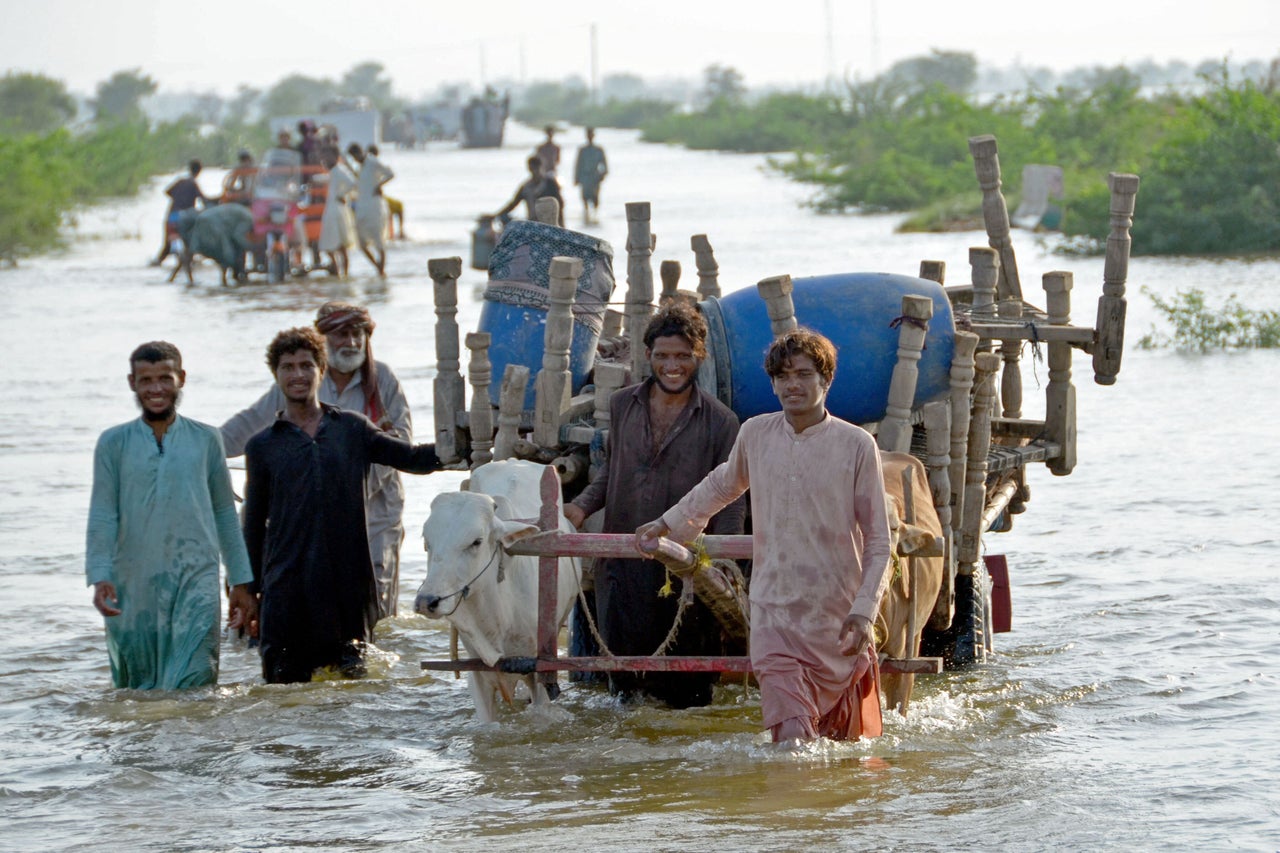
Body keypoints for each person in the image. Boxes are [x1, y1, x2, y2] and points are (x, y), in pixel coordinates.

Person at [636, 329, 893, 742]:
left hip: (835, 613)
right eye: (783, 376)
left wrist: (864, 611)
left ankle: (822, 806)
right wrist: (667, 523)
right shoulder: (756, 434)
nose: (792, 385)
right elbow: (723, 484)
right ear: (772, 383)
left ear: (825, 380)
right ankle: (783, 800)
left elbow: (880, 541)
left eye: (804, 374)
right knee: (791, 737)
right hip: (773, 610)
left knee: (837, 742)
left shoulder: (857, 445)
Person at [565, 304, 744, 708]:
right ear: (647, 356)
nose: (672, 365)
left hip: (685, 576)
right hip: (624, 569)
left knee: (687, 701)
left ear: (701, 357)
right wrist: (578, 507)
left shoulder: (722, 422)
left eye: (683, 356)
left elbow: (731, 497)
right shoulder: (623, 405)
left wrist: (725, 563)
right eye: (662, 356)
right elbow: (613, 472)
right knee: (625, 698)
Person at [241, 326, 442, 684]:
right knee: (284, 691)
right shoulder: (262, 446)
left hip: (347, 587)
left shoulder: (351, 428)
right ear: (276, 376)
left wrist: (463, 447)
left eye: (306, 365)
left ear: (321, 370)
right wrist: (245, 589)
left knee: (353, 689)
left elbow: (412, 458)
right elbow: (254, 525)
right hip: (287, 591)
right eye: (288, 367)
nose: (298, 375)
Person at [221, 302, 412, 621]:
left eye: (357, 334)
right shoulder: (303, 377)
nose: (350, 342)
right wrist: (203, 450)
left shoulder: (383, 381)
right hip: (312, 514)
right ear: (323, 341)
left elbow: (401, 443)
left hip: (376, 510)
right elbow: (249, 424)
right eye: (340, 335)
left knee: (376, 600)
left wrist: (349, 488)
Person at [85, 342, 257, 689]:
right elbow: (103, 512)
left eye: (165, 378)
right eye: (146, 380)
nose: (156, 388)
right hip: (132, 582)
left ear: (181, 378)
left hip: (197, 577)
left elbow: (224, 510)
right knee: (140, 687)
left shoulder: (206, 439)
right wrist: (99, 575)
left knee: (196, 681)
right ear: (132, 382)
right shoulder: (113, 443)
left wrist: (240, 580)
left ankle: (196, 745)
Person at [347, 142, 394, 277]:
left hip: (374, 206)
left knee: (378, 240)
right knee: (361, 243)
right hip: (362, 207)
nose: (355, 159)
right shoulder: (360, 168)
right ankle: (378, 268)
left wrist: (379, 185)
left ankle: (381, 271)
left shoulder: (372, 161)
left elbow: (390, 173)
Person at [152, 160, 206, 267]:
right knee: (188, 242)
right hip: (184, 217)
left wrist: (178, 198)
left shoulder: (180, 181)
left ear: (189, 169)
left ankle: (158, 262)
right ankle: (186, 262)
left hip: (172, 214)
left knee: (168, 244)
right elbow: (204, 199)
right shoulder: (193, 184)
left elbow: (167, 191)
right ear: (199, 171)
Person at [316, 145, 356, 277]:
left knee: (339, 245)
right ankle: (339, 272)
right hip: (332, 209)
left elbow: (352, 183)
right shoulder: (334, 172)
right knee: (331, 245)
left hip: (336, 211)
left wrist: (341, 195)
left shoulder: (339, 170)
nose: (326, 159)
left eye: (328, 156)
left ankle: (343, 273)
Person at [494, 155, 565, 227]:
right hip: (533, 222)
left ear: (541, 167)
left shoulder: (550, 184)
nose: (534, 172)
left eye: (536, 169)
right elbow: (513, 204)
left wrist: (561, 225)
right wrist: (496, 215)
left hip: (550, 223)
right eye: (531, 169)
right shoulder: (526, 187)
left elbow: (560, 204)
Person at [573, 127, 609, 225]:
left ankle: (595, 215)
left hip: (595, 176)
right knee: (584, 197)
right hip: (584, 176)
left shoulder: (599, 150)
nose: (590, 136)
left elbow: (604, 164)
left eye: (591, 134)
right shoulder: (582, 150)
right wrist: (576, 178)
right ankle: (586, 215)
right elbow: (578, 164)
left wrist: (603, 174)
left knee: (595, 197)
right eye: (588, 134)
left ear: (593, 135)